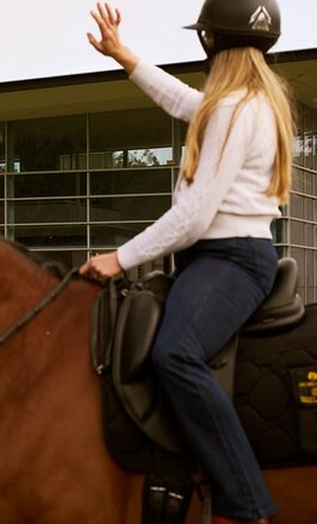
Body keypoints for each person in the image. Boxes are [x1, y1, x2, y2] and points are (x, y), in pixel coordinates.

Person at [81, 1, 293, 523]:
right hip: (224, 256)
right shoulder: (245, 103)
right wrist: (124, 55)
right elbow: (180, 100)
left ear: (211, 42)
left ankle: (249, 505)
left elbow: (195, 217)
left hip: (231, 258)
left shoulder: (235, 109)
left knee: (176, 353)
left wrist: (119, 258)